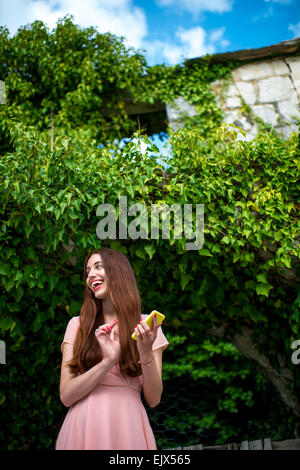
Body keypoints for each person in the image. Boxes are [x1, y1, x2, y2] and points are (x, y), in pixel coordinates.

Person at [55, 248, 168, 450]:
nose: (90, 275)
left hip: (128, 426)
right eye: (88, 271)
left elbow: (154, 398)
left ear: (118, 272)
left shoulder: (146, 327)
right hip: (83, 426)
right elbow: (66, 395)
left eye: (98, 267)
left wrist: (145, 352)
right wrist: (107, 361)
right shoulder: (77, 325)